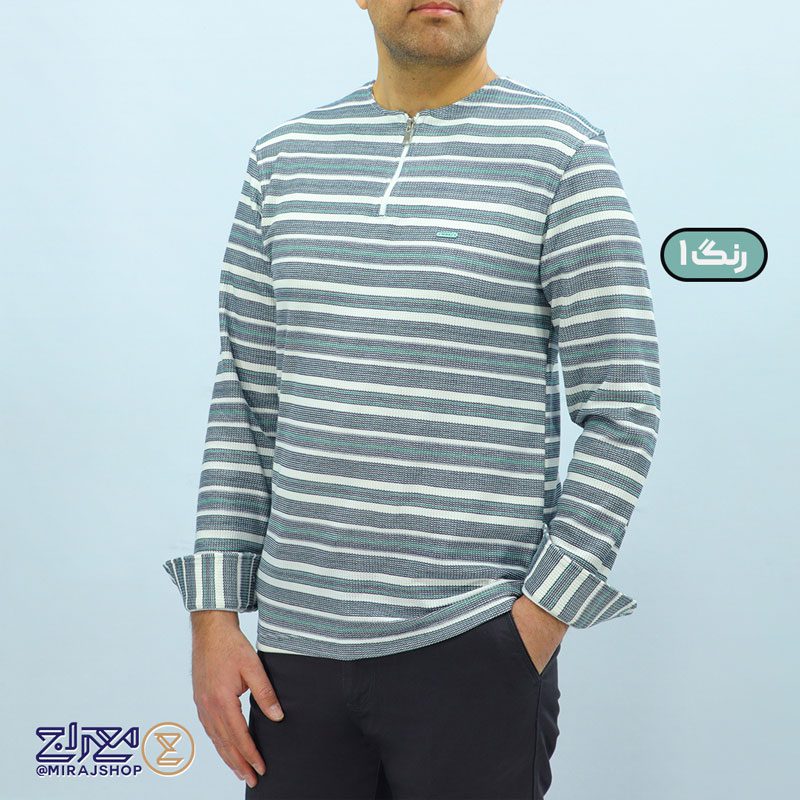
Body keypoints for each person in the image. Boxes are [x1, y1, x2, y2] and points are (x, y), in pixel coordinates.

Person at [162, 1, 661, 797]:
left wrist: (539, 620)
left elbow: (622, 405)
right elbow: (248, 401)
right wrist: (214, 618)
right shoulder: (283, 159)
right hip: (292, 660)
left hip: (475, 644)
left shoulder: (562, 153)